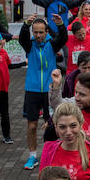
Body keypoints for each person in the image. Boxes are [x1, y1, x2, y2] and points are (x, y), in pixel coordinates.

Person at [18, 15, 67, 170]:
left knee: (52, 125)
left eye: (41, 32)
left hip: (49, 91)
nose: (38, 35)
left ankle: (51, 154)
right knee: (32, 126)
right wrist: (26, 25)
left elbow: (63, 39)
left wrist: (60, 25)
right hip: (32, 90)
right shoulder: (29, 45)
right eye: (35, 32)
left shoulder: (51, 44)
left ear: (46, 32)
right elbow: (21, 38)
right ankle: (33, 156)